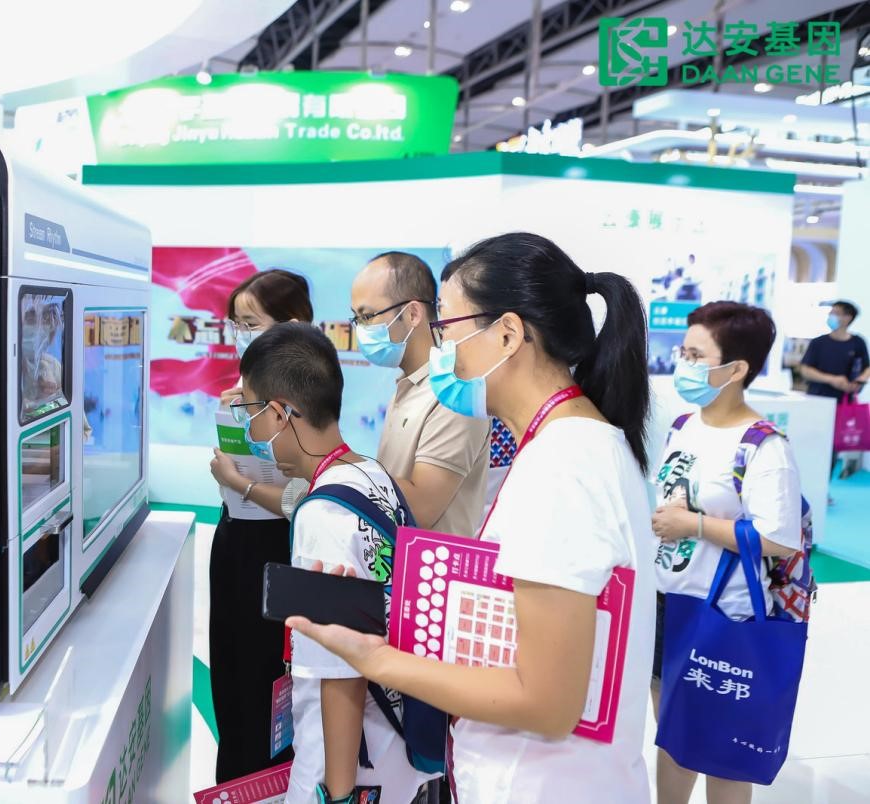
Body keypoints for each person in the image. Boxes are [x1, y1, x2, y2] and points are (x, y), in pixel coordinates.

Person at [288, 232, 657, 803]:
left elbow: (547, 702)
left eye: (449, 328)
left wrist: (377, 659)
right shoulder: (580, 444)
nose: (442, 349)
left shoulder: (562, 467)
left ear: (507, 334)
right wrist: (389, 620)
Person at [236, 322, 437, 803]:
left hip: (348, 763)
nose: (249, 429)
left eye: (250, 412)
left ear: (280, 414)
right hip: (396, 744)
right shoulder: (369, 472)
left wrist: (339, 795)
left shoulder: (323, 515)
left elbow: (341, 672)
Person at [651, 302, 802, 804]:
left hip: (723, 613)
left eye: (697, 356)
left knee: (723, 747)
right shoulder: (683, 425)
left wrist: (694, 524)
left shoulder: (764, 446)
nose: (684, 364)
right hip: (668, 599)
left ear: (736, 370)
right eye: (683, 352)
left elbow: (778, 537)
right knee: (672, 732)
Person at [206, 269, 313, 782]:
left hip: (276, 553)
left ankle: (265, 784)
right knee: (229, 676)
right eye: (235, 324)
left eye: (250, 323)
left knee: (264, 684)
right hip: (234, 542)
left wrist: (240, 482)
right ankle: (232, 784)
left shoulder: (308, 399)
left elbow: (303, 498)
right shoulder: (239, 393)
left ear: (290, 325)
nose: (239, 335)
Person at [350, 252, 489, 534]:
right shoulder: (408, 385)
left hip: (431, 562)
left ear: (413, 314)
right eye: (356, 318)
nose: (360, 329)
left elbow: (421, 509)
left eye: (367, 316)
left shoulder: (452, 393)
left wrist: (339, 464)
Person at [799, 300, 869, 480]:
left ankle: (823, 486)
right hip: (816, 400)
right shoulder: (819, 343)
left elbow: (866, 368)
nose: (831, 316)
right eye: (831, 312)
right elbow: (805, 370)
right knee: (811, 443)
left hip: (843, 404)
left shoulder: (857, 343)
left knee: (832, 447)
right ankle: (806, 483)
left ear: (848, 317)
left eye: (836, 313)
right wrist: (831, 379)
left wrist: (859, 381)